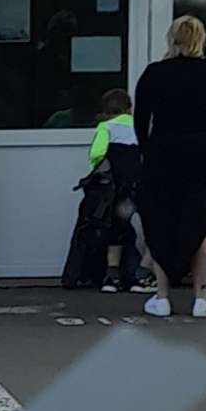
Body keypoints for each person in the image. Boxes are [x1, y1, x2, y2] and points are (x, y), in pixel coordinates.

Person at [131, 12, 206, 319]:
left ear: (171, 38)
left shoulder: (154, 73)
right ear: (201, 39)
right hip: (202, 152)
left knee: (161, 222)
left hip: (163, 152)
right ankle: (201, 295)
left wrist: (147, 150)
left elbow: (140, 120)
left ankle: (161, 296)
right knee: (199, 222)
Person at [62, 84, 146, 293]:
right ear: (129, 108)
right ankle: (136, 276)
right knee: (135, 230)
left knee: (114, 230)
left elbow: (96, 154)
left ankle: (111, 276)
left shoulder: (105, 127)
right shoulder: (139, 126)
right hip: (136, 186)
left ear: (105, 110)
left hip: (112, 189)